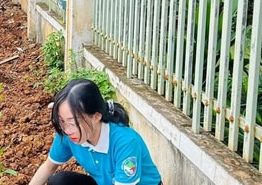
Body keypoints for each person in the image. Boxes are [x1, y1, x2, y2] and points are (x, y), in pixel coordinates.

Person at [29, 78, 162, 185]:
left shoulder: (125, 142)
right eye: (61, 121)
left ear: (96, 116)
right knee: (60, 181)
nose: (67, 130)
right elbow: (49, 166)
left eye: (73, 122)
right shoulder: (68, 134)